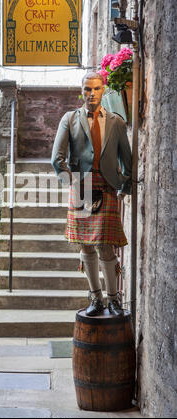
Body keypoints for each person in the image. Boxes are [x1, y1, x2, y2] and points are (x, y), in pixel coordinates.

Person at [51, 72, 132, 316]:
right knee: (86, 247)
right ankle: (96, 299)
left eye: (96, 89)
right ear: (82, 90)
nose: (92, 93)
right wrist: (72, 183)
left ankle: (114, 299)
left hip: (106, 185)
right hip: (83, 186)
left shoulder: (116, 122)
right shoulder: (69, 119)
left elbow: (127, 160)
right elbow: (57, 158)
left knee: (105, 247)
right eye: (87, 89)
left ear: (103, 90)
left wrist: (124, 188)